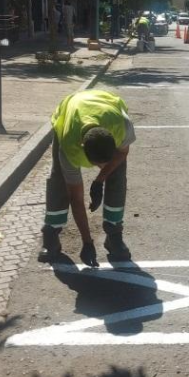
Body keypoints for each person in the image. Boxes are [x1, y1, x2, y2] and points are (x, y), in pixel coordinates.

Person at [38, 89, 137, 267]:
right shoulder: (70, 146)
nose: (100, 167)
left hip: (106, 105)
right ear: (82, 150)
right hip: (69, 111)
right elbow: (76, 199)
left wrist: (100, 180)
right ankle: (51, 234)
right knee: (58, 179)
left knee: (117, 174)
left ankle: (114, 235)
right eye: (97, 165)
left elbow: (123, 153)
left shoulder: (122, 127)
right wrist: (87, 242)